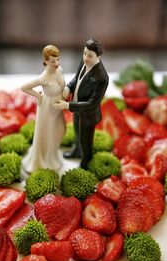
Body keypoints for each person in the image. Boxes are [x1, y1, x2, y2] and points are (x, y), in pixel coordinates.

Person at [54, 38, 109, 169]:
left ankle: (86, 160)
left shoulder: (102, 77)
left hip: (88, 114)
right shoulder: (84, 62)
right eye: (84, 53)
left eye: (90, 55)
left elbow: (92, 103)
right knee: (77, 133)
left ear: (98, 56)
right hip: (77, 108)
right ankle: (77, 151)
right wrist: (68, 88)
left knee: (86, 140)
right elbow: (77, 78)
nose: (86, 57)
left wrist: (68, 105)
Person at [21, 45, 66, 175]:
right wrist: (39, 96)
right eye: (53, 61)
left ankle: (52, 155)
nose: (56, 63)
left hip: (58, 105)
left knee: (61, 130)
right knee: (47, 135)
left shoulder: (60, 70)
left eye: (58, 59)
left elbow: (63, 86)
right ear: (45, 61)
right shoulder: (43, 78)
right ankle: (44, 161)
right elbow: (24, 87)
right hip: (48, 107)